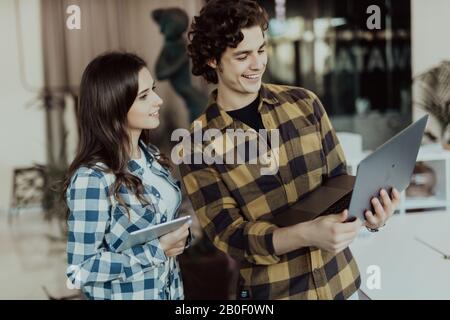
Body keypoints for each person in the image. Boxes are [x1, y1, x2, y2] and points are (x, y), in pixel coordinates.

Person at [179, 0, 400, 300]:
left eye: (261, 50)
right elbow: (230, 236)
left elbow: (341, 185)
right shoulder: (196, 145)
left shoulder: (304, 103)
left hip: (344, 286)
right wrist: (306, 234)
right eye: (242, 56)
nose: (257, 64)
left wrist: (372, 216)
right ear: (212, 60)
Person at [64, 52, 191, 300]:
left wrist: (179, 238)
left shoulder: (152, 156)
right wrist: (158, 249)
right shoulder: (93, 178)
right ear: (115, 104)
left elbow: (163, 225)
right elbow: (79, 271)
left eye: (153, 90)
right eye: (144, 96)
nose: (159, 101)